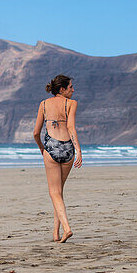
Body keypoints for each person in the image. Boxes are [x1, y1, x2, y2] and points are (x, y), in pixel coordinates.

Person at [33, 74, 81, 243]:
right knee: (59, 192)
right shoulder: (71, 104)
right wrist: (78, 151)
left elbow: (36, 133)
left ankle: (67, 228)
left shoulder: (44, 104)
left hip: (51, 147)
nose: (73, 90)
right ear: (62, 89)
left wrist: (41, 148)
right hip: (68, 148)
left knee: (54, 193)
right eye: (70, 87)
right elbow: (71, 128)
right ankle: (56, 233)